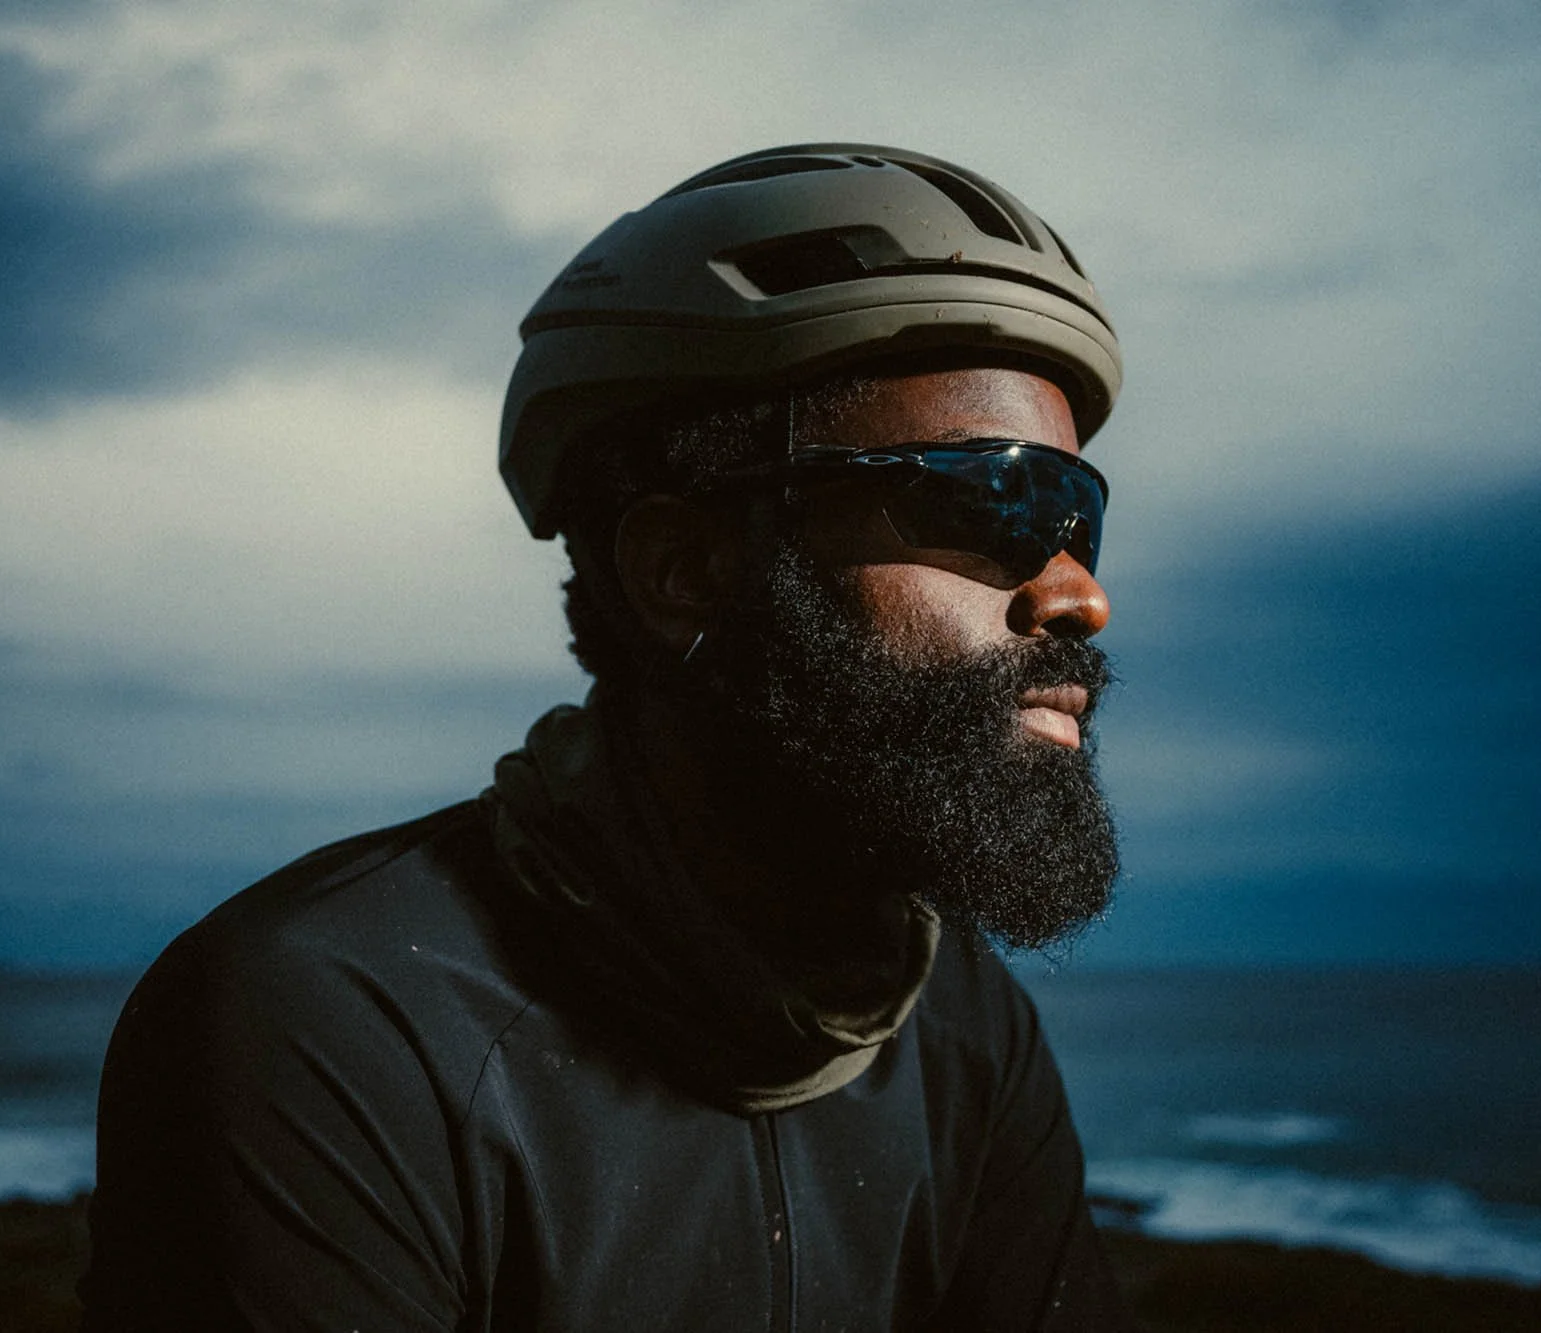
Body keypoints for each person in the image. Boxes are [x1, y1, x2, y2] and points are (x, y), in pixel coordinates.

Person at [80, 143, 1139, 1332]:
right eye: (984, 497)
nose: (1074, 594)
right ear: (684, 571)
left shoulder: (955, 1017)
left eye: (1073, 515)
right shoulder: (329, 1021)